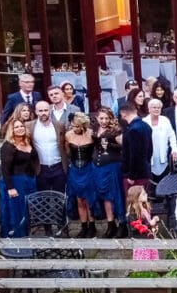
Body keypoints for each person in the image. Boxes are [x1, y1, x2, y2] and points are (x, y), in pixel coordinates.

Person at [0, 118, 38, 238]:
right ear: (11, 130)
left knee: (26, 209)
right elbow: (5, 169)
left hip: (28, 180)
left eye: (21, 126)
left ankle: (26, 233)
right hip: (14, 181)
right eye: (16, 127)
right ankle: (16, 238)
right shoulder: (8, 146)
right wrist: (10, 188)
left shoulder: (27, 142)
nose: (20, 128)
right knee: (16, 211)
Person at [94, 107, 126, 238]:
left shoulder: (116, 130)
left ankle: (122, 225)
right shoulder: (94, 129)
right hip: (98, 167)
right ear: (97, 118)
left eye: (106, 118)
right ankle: (110, 224)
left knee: (116, 195)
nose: (104, 121)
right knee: (105, 196)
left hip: (112, 166)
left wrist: (111, 144)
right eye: (101, 118)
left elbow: (125, 146)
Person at [65, 112, 98, 237]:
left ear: (83, 125)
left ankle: (92, 226)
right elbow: (67, 152)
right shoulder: (68, 135)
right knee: (79, 199)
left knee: (89, 198)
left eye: (78, 126)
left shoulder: (91, 134)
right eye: (73, 126)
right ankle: (83, 226)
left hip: (88, 169)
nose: (75, 128)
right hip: (75, 170)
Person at [28, 101, 67, 193]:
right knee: (43, 198)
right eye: (40, 111)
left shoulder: (59, 125)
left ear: (50, 111)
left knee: (60, 197)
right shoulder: (29, 126)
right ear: (36, 112)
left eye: (46, 110)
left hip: (58, 167)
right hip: (40, 168)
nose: (43, 113)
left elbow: (65, 144)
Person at [120, 101, 153, 194]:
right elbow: (150, 150)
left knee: (134, 204)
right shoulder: (146, 126)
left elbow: (134, 155)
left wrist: (131, 176)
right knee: (143, 201)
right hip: (144, 170)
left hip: (135, 176)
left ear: (123, 114)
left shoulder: (132, 130)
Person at [144, 98, 177, 183]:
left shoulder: (165, 120)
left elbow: (172, 136)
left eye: (158, 107)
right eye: (154, 107)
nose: (156, 109)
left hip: (163, 156)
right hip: (149, 157)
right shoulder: (144, 121)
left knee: (164, 181)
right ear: (149, 109)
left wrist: (174, 149)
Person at [126, 185, 161, 260]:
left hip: (149, 239)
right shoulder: (133, 212)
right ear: (136, 197)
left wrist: (153, 221)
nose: (146, 195)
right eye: (144, 194)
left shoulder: (145, 208)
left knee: (152, 258)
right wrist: (150, 223)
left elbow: (148, 221)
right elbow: (135, 227)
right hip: (141, 242)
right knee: (144, 260)